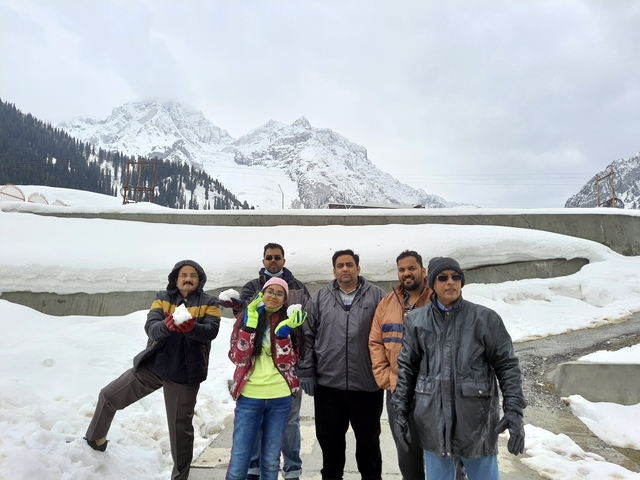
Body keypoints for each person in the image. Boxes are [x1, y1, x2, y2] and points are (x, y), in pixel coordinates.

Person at [84, 260, 221, 480]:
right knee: (108, 396)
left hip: (184, 374)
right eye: (183, 275)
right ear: (175, 279)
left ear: (200, 280)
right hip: (154, 366)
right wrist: (166, 327)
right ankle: (93, 441)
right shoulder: (163, 298)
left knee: (180, 432)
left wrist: (192, 328)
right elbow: (151, 327)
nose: (188, 279)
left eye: (193, 275)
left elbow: (210, 331)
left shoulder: (209, 302)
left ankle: (180, 477)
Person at [393, 257, 527, 480]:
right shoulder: (416, 321)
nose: (450, 282)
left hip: (477, 423)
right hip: (433, 422)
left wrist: (514, 411)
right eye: (443, 277)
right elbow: (407, 368)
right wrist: (400, 412)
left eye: (456, 277)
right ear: (432, 284)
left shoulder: (485, 319)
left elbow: (508, 366)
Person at [298, 249, 386, 480]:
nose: (344, 269)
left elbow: (390, 336)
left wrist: (387, 372)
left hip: (367, 387)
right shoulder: (320, 298)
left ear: (358, 268)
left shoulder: (377, 296)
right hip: (328, 388)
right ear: (334, 270)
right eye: (340, 265)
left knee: (369, 449)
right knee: (331, 449)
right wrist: (306, 369)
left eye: (349, 264)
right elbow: (306, 336)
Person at [235, 242, 311, 480]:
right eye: (269, 257)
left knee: (291, 425)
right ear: (263, 260)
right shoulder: (252, 287)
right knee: (257, 427)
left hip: (288, 369)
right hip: (255, 373)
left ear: (284, 261)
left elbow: (307, 324)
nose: (273, 261)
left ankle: (292, 470)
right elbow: (243, 320)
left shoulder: (298, 287)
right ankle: (254, 468)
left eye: (277, 257)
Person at [368, 250, 431, 480]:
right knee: (407, 456)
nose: (407, 273)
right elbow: (375, 341)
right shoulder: (387, 302)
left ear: (423, 271)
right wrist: (386, 378)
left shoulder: (437, 299)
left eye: (411, 268)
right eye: (402, 270)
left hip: (433, 393)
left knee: (441, 456)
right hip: (398, 393)